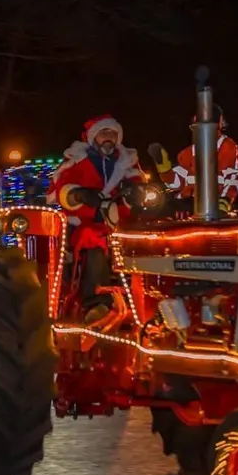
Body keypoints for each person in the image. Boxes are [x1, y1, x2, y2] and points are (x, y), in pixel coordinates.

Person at [48, 113, 143, 322]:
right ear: (93, 137)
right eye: (103, 133)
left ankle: (143, 300)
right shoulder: (77, 159)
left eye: (112, 133)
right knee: (91, 237)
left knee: (145, 242)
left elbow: (137, 183)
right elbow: (63, 186)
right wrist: (79, 194)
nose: (108, 137)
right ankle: (96, 302)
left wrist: (136, 192)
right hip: (84, 220)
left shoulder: (127, 161)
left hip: (117, 220)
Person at [149, 105, 238, 212]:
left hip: (215, 207)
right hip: (188, 206)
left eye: (203, 128)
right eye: (195, 128)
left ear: (218, 125)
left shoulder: (229, 148)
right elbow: (177, 183)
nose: (198, 132)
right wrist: (165, 169)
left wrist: (224, 201)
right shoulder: (187, 153)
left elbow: (234, 178)